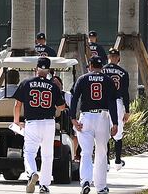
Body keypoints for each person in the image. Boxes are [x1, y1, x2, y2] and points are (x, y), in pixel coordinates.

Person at [12, 57, 66, 194]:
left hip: (32, 123)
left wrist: (17, 121)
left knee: (29, 152)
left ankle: (32, 173)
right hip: (48, 122)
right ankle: (44, 186)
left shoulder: (26, 83)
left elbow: (17, 105)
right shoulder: (53, 85)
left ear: (36, 68)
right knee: (48, 155)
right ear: (48, 70)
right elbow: (61, 106)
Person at [71, 57, 119, 194]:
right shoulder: (108, 81)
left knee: (85, 152)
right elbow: (112, 103)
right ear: (101, 67)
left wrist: (73, 119)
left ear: (91, 66)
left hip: (86, 117)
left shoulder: (83, 79)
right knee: (101, 153)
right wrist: (114, 122)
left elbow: (75, 99)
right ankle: (101, 186)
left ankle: (85, 181)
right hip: (102, 117)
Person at [102, 48, 130, 170]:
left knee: (105, 132)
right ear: (118, 58)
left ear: (109, 57)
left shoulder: (102, 70)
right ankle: (118, 161)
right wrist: (127, 110)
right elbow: (125, 93)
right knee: (118, 132)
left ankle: (107, 162)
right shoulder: (123, 72)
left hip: (103, 103)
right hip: (117, 102)